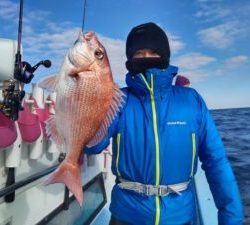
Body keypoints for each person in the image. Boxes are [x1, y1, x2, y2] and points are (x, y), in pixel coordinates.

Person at [85, 22, 243, 225]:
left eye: (153, 51)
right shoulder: (118, 100)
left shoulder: (191, 100)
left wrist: (231, 219)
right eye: (139, 53)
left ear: (165, 55)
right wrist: (89, 101)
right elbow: (92, 145)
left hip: (180, 217)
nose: (146, 58)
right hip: (126, 216)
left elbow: (216, 162)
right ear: (129, 58)